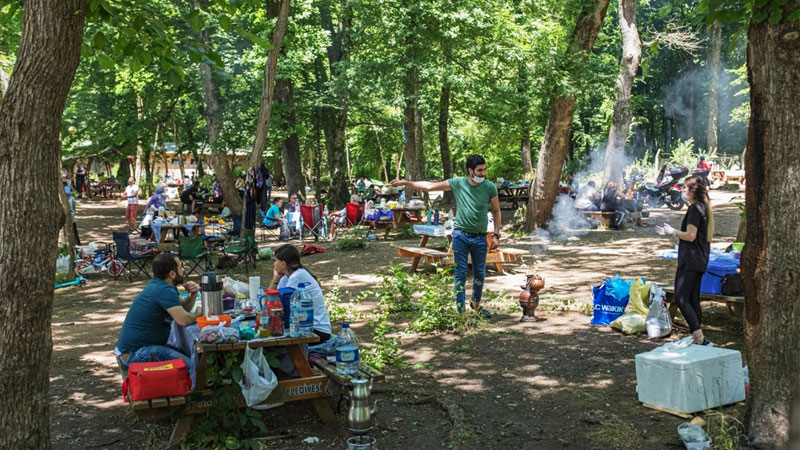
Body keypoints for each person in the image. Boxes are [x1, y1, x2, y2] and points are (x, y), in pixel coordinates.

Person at [391, 154, 500, 317]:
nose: (483, 173)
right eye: (479, 170)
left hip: (480, 237)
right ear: (470, 170)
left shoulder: (489, 187)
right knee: (460, 272)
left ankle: (476, 304)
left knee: (480, 272)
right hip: (460, 236)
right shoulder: (458, 183)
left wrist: (496, 234)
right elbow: (429, 186)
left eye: (484, 170)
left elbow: (497, 211)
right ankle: (461, 312)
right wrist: (406, 183)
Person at [115, 254, 202, 377]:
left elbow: (183, 309)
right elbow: (183, 320)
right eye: (180, 267)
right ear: (172, 274)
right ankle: (190, 392)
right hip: (136, 353)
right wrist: (199, 314)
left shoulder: (160, 285)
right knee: (193, 366)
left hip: (134, 349)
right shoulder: (164, 290)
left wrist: (193, 294)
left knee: (190, 356)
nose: (183, 270)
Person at [656, 176, 715, 345]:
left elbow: (690, 236)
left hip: (690, 260)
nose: (682, 191)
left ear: (692, 191)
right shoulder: (704, 207)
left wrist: (672, 231)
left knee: (681, 298)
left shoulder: (695, 209)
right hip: (700, 259)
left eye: (684, 188)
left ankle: (699, 338)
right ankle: (698, 335)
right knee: (693, 298)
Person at [269, 244, 332, 342]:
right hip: (303, 326)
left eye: (275, 261)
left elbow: (280, 307)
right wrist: (276, 278)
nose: (274, 264)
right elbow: (271, 299)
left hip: (316, 330)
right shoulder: (287, 277)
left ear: (283, 264)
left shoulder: (297, 277)